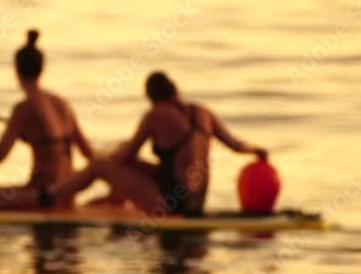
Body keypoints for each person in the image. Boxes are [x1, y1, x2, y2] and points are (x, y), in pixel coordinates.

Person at [42, 71, 268, 218]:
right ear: (174, 89)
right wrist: (258, 151)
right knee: (119, 155)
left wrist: (107, 157)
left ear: (151, 97)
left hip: (171, 203)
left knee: (98, 167)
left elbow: (126, 158)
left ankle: (49, 196)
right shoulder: (203, 112)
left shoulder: (155, 114)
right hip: (195, 201)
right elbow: (236, 145)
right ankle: (108, 200)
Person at [0, 30, 94, 223]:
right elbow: (88, 153)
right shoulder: (61, 104)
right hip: (68, 196)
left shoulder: (23, 108)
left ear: (16, 71)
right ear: (42, 69)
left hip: (43, 195)